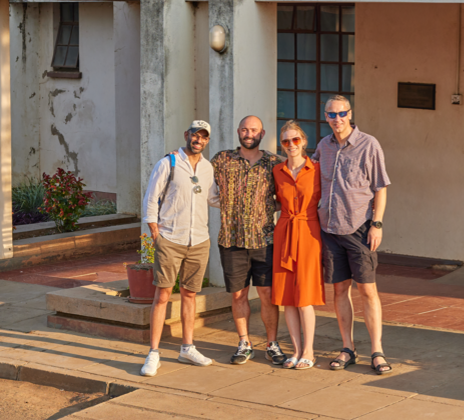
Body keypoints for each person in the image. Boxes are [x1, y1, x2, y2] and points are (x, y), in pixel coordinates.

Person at [314, 95, 393, 374]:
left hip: (360, 228)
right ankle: (347, 347)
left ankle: (377, 351)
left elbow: (381, 187)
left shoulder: (368, 144)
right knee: (339, 290)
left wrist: (377, 224)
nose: (337, 119)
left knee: (368, 290)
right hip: (330, 228)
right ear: (326, 117)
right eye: (332, 114)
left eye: (342, 113)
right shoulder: (323, 146)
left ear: (350, 113)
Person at [139, 120, 218, 377]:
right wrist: (155, 232)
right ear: (187, 135)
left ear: (207, 141)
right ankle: (153, 353)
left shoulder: (207, 168)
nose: (198, 139)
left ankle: (187, 348)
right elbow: (151, 197)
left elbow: (213, 197)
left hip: (199, 240)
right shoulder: (169, 163)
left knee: (190, 295)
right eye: (195, 134)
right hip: (171, 239)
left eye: (203, 137)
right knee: (162, 295)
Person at [209, 115, 286, 366]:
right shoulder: (222, 159)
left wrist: (265, 207)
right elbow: (204, 185)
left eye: (253, 129)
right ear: (238, 132)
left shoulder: (274, 163)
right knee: (239, 295)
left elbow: (286, 196)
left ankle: (272, 344)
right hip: (231, 239)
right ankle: (244, 343)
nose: (248, 133)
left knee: (267, 294)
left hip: (264, 239)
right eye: (244, 129)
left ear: (262, 133)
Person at [272, 120, 325, 370]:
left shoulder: (316, 169)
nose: (291, 145)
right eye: (286, 141)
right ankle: (295, 350)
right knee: (287, 297)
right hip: (284, 231)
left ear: (303, 141)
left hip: (308, 230)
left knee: (304, 296)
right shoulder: (276, 171)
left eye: (295, 140)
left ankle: (309, 351)